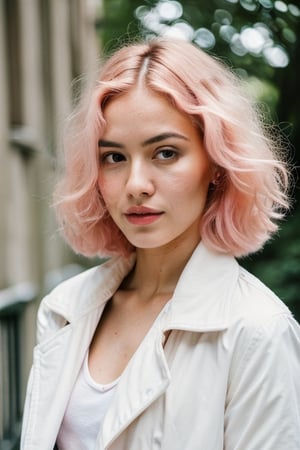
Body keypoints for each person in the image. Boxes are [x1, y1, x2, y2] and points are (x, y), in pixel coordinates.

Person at [21, 38, 300, 450]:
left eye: (165, 153)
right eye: (114, 157)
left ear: (216, 165)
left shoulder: (258, 332)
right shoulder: (65, 308)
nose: (136, 185)